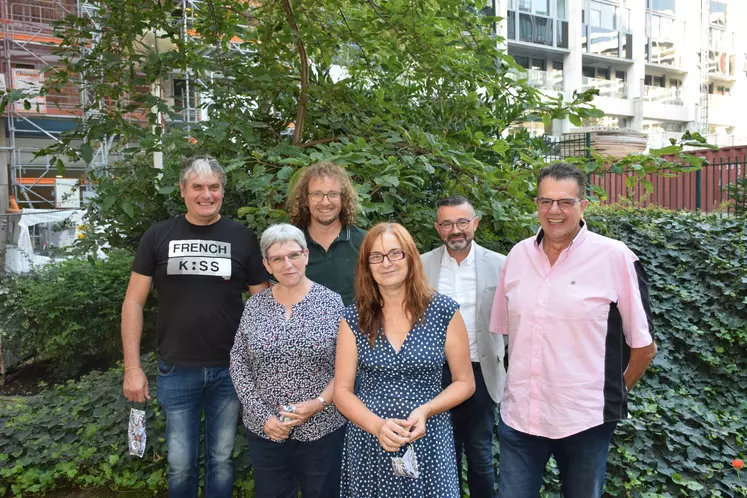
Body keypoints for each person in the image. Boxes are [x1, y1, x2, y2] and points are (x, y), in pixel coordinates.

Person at [490, 162, 657, 498]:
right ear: (536, 204)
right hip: (521, 418)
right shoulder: (517, 256)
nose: (554, 211)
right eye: (545, 201)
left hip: (586, 422)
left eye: (565, 202)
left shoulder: (615, 258)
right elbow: (507, 333)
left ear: (583, 206)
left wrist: (609, 395)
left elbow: (643, 348)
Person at [121, 156, 270, 498]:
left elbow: (263, 303)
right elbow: (133, 302)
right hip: (176, 368)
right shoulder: (158, 236)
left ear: (223, 191)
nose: (207, 194)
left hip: (230, 370)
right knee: (180, 463)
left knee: (221, 460)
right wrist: (132, 367)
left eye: (214, 187)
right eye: (198, 187)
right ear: (183, 191)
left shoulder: (241, 236)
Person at [334, 222, 476, 498]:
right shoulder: (353, 318)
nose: (386, 263)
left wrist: (426, 410)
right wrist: (377, 426)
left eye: (395, 253)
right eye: (376, 256)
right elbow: (341, 390)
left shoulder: (443, 311)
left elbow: (465, 383)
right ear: (367, 265)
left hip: (428, 437)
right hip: (371, 440)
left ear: (411, 257)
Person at [229, 223, 347, 498]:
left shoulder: (331, 303)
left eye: (294, 255)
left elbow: (345, 366)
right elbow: (238, 363)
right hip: (267, 430)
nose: (288, 264)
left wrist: (317, 405)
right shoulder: (254, 306)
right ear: (266, 265)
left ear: (306, 255)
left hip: (323, 428)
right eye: (278, 259)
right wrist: (263, 417)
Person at [421, 196, 506, 498]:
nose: (455, 230)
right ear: (437, 227)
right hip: (433, 372)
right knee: (443, 451)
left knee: (480, 451)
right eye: (447, 224)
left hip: (480, 370)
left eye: (462, 222)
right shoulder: (420, 265)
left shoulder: (500, 265)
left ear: (475, 224)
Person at [289, 161, 366, 306]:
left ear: (343, 199)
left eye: (332, 194)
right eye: (317, 194)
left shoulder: (366, 242)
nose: (325, 202)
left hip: (357, 327)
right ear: (306, 199)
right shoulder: (290, 246)